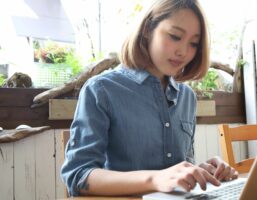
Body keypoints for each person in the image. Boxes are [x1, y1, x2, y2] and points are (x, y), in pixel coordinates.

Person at [61, 0, 238, 197]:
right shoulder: (101, 90)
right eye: (175, 36)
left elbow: (174, 172)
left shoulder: (187, 97)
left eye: (193, 43)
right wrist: (155, 179)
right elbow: (78, 176)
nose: (184, 51)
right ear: (147, 29)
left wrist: (200, 172)